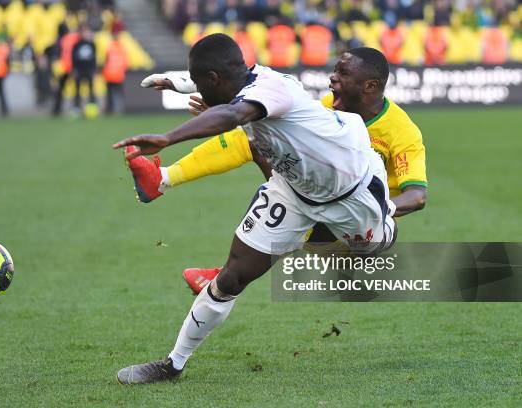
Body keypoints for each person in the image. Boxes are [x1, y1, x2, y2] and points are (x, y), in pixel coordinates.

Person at [113, 34, 395, 384]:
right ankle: (172, 364)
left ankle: (372, 226)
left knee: (371, 248)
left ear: (215, 80)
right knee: (230, 277)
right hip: (293, 191)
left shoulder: (270, 91)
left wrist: (168, 138)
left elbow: (232, 113)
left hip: (352, 191)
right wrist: (176, 82)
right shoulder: (246, 76)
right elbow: (223, 87)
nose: (199, 90)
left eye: (202, 84)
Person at [130, 47, 428, 294]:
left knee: (286, 189)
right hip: (318, 203)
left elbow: (417, 196)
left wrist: (378, 208)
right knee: (260, 135)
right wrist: (212, 104)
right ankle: (162, 179)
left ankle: (224, 273)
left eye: (343, 74)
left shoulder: (402, 132)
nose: (331, 79)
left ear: (370, 86)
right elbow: (258, 102)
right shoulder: (329, 107)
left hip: (355, 229)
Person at [71, 25, 97, 111]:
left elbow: (94, 58)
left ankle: (92, 108)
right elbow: (74, 58)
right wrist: (74, 69)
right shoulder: (76, 45)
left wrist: (94, 70)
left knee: (91, 90)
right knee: (77, 90)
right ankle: (76, 108)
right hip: (79, 70)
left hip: (89, 70)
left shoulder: (92, 44)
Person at [102, 34, 127, 114]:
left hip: (110, 74)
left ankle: (111, 109)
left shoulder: (110, 47)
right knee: (118, 93)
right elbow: (125, 62)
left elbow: (106, 60)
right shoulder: (122, 48)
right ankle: (119, 109)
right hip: (119, 74)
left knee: (110, 93)